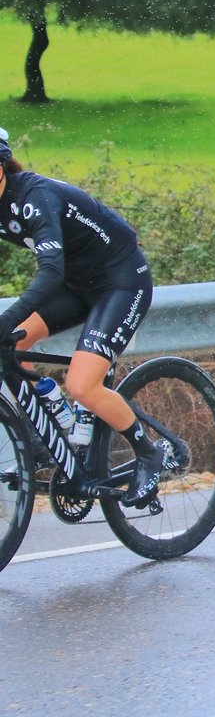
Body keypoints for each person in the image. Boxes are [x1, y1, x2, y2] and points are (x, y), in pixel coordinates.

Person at [0, 127, 164, 507]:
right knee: (14, 346)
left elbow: (50, 272)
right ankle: (57, 427)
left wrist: (9, 316)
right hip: (78, 283)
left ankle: (149, 454)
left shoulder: (33, 199)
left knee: (84, 385)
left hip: (120, 282)